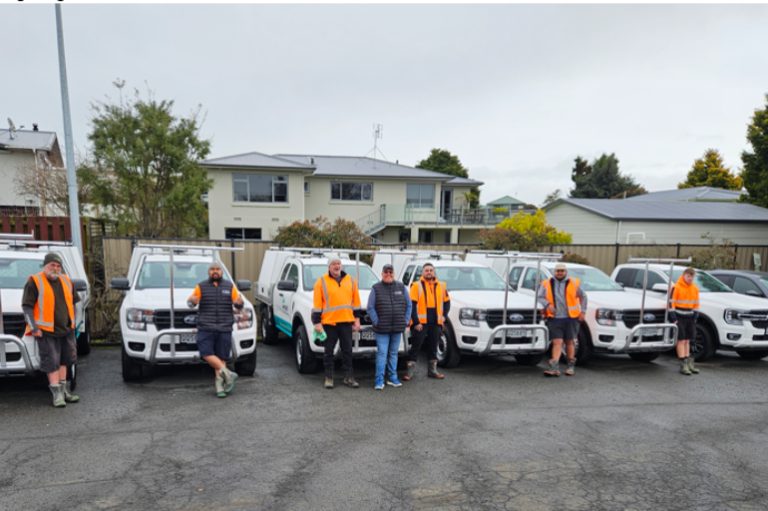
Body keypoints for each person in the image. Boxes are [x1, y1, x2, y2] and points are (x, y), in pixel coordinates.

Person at [22, 253, 80, 407]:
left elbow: (73, 303)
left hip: (67, 329)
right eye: (52, 265)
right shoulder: (35, 281)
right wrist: (33, 328)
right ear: (45, 265)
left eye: (58, 266)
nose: (55, 268)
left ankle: (66, 392)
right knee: (52, 362)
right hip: (46, 331)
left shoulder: (66, 280)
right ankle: (57, 396)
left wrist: (72, 323)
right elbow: (27, 307)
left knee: (65, 361)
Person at [187, 261, 244, 398]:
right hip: (206, 326)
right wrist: (192, 301)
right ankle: (229, 374)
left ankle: (220, 387)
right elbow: (190, 302)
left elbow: (238, 305)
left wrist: (240, 303)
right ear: (209, 272)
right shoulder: (201, 286)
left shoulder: (230, 287)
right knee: (205, 352)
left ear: (221, 271)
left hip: (224, 326)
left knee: (222, 357)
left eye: (217, 269)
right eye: (212, 269)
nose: (215, 271)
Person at [312, 257, 362, 389]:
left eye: (338, 263)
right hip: (329, 323)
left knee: (347, 351)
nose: (337, 266)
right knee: (329, 352)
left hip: (346, 322)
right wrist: (317, 323)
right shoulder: (321, 282)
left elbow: (356, 302)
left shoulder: (351, 280)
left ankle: (348, 377)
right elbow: (317, 305)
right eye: (334, 264)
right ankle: (328, 377)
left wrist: (357, 319)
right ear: (329, 267)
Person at [367, 263, 412, 390]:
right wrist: (377, 322)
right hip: (382, 329)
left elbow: (409, 305)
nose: (388, 274)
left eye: (390, 272)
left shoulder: (401, 287)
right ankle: (379, 379)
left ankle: (393, 377)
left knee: (393, 353)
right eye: (386, 272)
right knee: (382, 353)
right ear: (382, 274)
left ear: (393, 273)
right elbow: (370, 307)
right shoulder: (376, 288)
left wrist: (405, 320)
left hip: (397, 328)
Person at [537, 263, 587, 377]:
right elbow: (540, 297)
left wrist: (583, 312)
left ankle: (570, 367)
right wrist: (548, 304)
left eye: (562, 271)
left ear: (566, 272)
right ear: (554, 272)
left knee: (569, 342)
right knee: (556, 342)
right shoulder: (547, 283)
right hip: (555, 318)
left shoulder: (574, 282)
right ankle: (554, 368)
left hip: (571, 318)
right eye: (557, 271)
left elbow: (583, 296)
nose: (559, 273)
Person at [404, 262, 450, 381]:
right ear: (422, 272)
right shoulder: (416, 285)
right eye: (426, 270)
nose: (429, 272)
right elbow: (412, 305)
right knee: (416, 347)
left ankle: (432, 370)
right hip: (420, 323)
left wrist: (444, 316)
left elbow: (447, 302)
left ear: (433, 272)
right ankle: (410, 371)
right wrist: (415, 322)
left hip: (436, 322)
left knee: (434, 347)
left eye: (431, 270)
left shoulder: (442, 285)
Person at [669, 267, 700, 376]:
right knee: (681, 340)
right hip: (679, 316)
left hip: (690, 317)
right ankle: (683, 364)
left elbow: (696, 303)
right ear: (684, 276)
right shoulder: (676, 287)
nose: (690, 278)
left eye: (692, 276)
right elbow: (671, 303)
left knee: (688, 340)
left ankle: (688, 362)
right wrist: (674, 318)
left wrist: (695, 316)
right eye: (688, 276)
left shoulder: (695, 288)